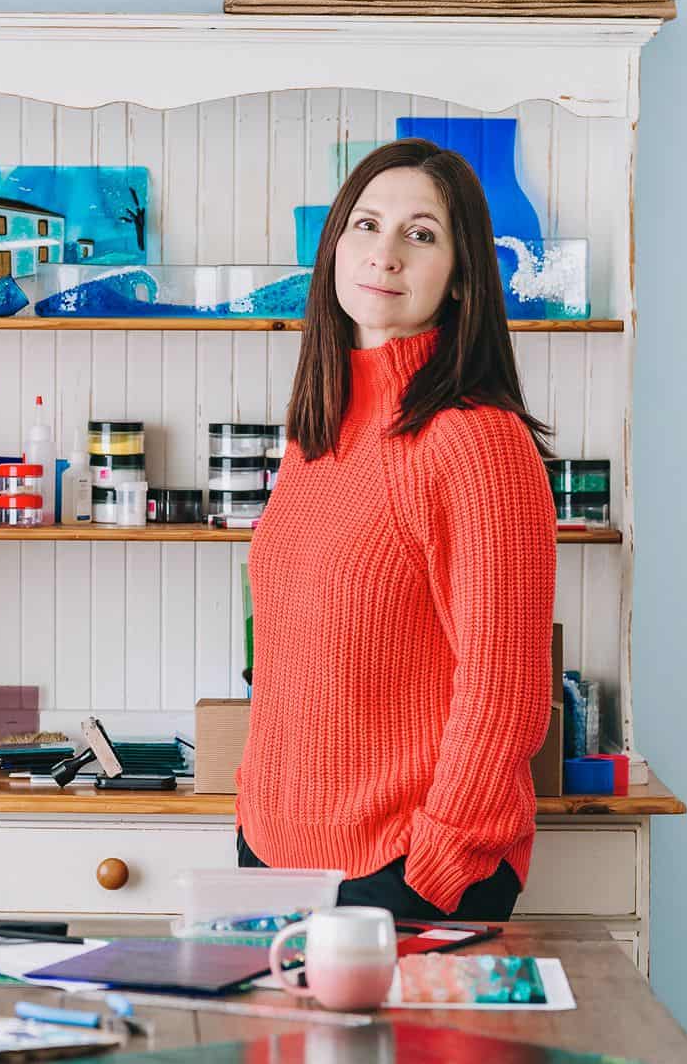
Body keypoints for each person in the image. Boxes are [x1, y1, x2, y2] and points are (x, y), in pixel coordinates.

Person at [235, 139, 557, 921]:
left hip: (400, 870)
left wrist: (435, 862)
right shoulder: (318, 430)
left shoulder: (475, 438)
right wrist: (254, 825)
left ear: (460, 279)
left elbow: (505, 688)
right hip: (273, 856)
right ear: (335, 245)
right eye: (366, 224)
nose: (385, 253)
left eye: (421, 234)